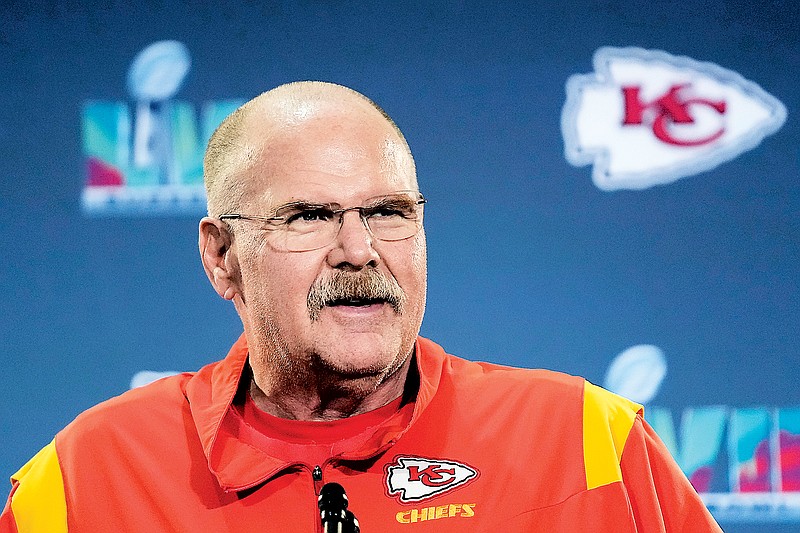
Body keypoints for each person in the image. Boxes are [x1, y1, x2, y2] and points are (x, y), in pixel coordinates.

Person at [0, 81, 722, 532]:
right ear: (221, 257)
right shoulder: (84, 481)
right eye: (309, 216)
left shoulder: (587, 442)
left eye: (388, 210)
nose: (358, 249)